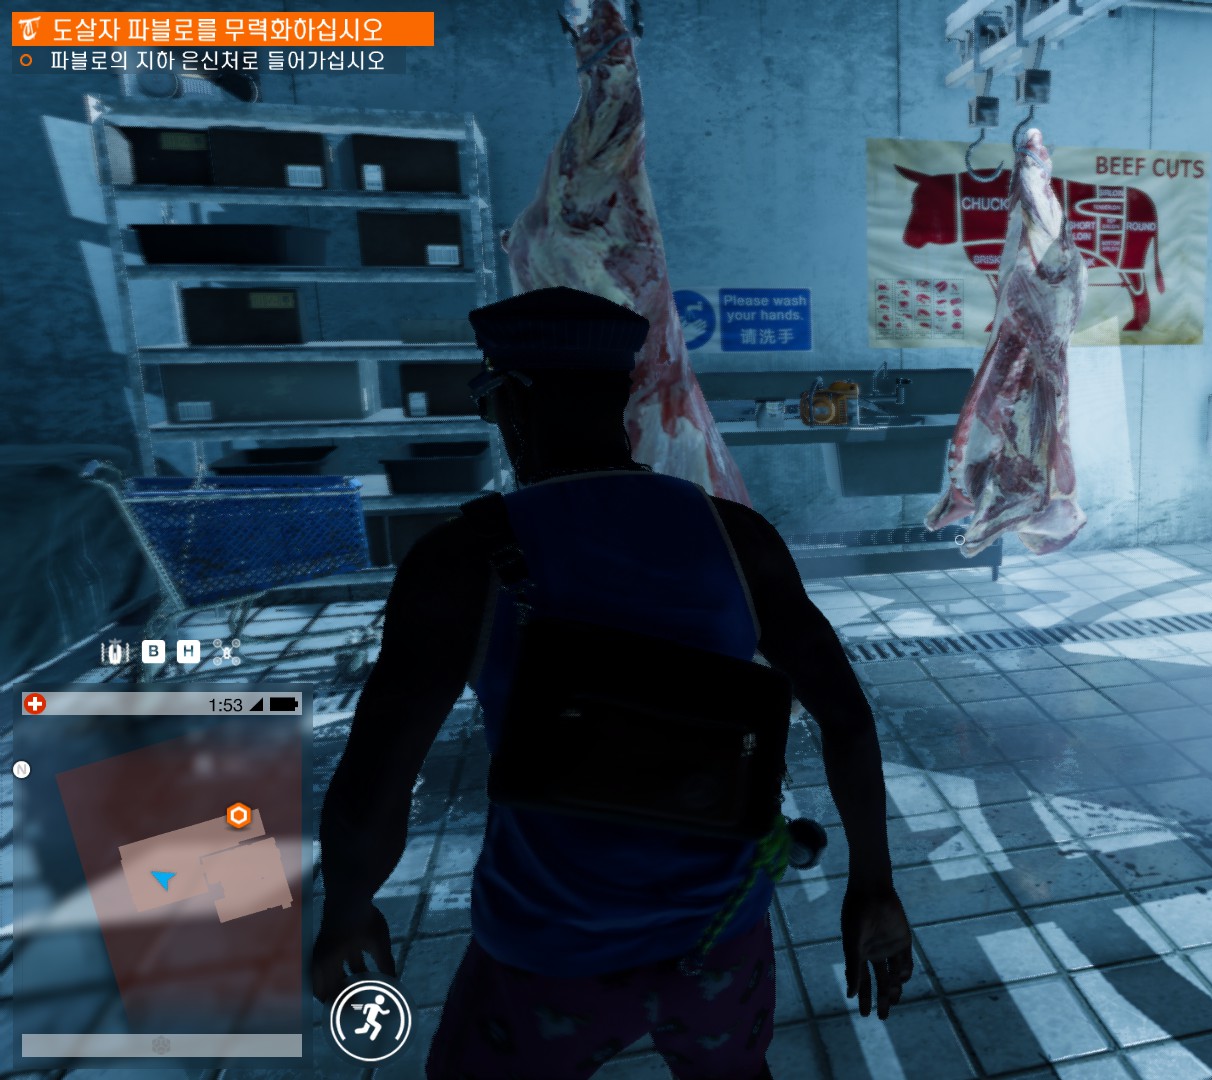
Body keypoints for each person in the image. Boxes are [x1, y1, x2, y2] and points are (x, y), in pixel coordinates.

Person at [310, 286, 911, 1079]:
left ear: (511, 401)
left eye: (488, 399)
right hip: (719, 933)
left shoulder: (459, 561)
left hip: (547, 949)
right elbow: (847, 719)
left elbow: (374, 786)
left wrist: (346, 912)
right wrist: (873, 884)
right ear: (621, 399)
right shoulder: (737, 537)